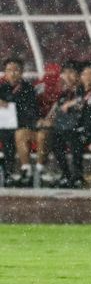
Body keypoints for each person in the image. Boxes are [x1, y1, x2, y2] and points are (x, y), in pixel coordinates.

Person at [0, 57, 39, 187]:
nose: (12, 73)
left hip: (23, 126)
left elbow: (31, 112)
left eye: (16, 70)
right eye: (9, 70)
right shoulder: (2, 89)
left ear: (21, 72)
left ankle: (11, 173)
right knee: (6, 134)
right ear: (5, 73)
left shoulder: (28, 89)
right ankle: (8, 173)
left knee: (11, 136)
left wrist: (11, 105)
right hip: (4, 126)